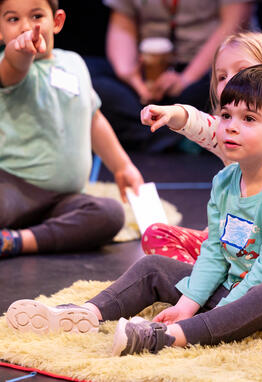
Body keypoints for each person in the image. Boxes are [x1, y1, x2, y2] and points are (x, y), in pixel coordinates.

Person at [7, 64, 262, 357]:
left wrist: (205, 315)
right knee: (154, 266)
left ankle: (168, 336)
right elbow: (214, 252)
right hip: (230, 285)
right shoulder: (226, 179)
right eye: (226, 115)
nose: (230, 128)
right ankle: (85, 314)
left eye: (248, 119)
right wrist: (188, 304)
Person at [139, 31, 262, 263]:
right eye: (222, 77)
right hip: (235, 249)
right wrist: (173, 113)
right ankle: (204, 283)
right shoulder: (229, 132)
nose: (229, 82)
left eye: (241, 72)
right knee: (157, 235)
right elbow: (200, 123)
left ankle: (222, 286)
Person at [0, 0, 144, 258]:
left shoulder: (74, 63)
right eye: (12, 19)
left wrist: (122, 166)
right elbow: (14, 66)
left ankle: (18, 240)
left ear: (56, 21)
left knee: (109, 215)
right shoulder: (8, 65)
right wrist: (18, 53)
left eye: (36, 16)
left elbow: (92, 118)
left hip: (63, 200)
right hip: (13, 188)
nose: (25, 27)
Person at [88, 0, 254, 151]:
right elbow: (122, 24)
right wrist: (135, 81)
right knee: (85, 77)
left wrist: (185, 79)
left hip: (203, 68)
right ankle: (177, 136)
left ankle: (159, 132)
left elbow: (234, 24)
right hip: (146, 71)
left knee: (229, 83)